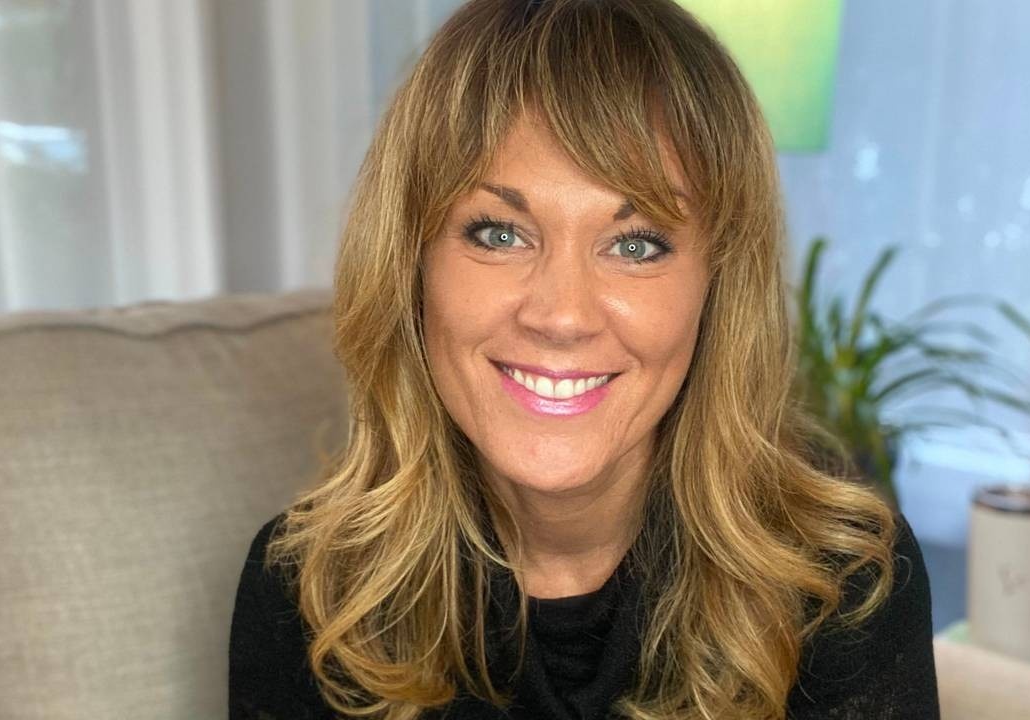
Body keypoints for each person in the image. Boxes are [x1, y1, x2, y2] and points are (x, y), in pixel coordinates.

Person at [229, 0, 940, 718]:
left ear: (717, 287)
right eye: (500, 234)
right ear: (411, 266)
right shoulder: (311, 592)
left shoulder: (841, 582)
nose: (562, 315)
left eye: (635, 244)